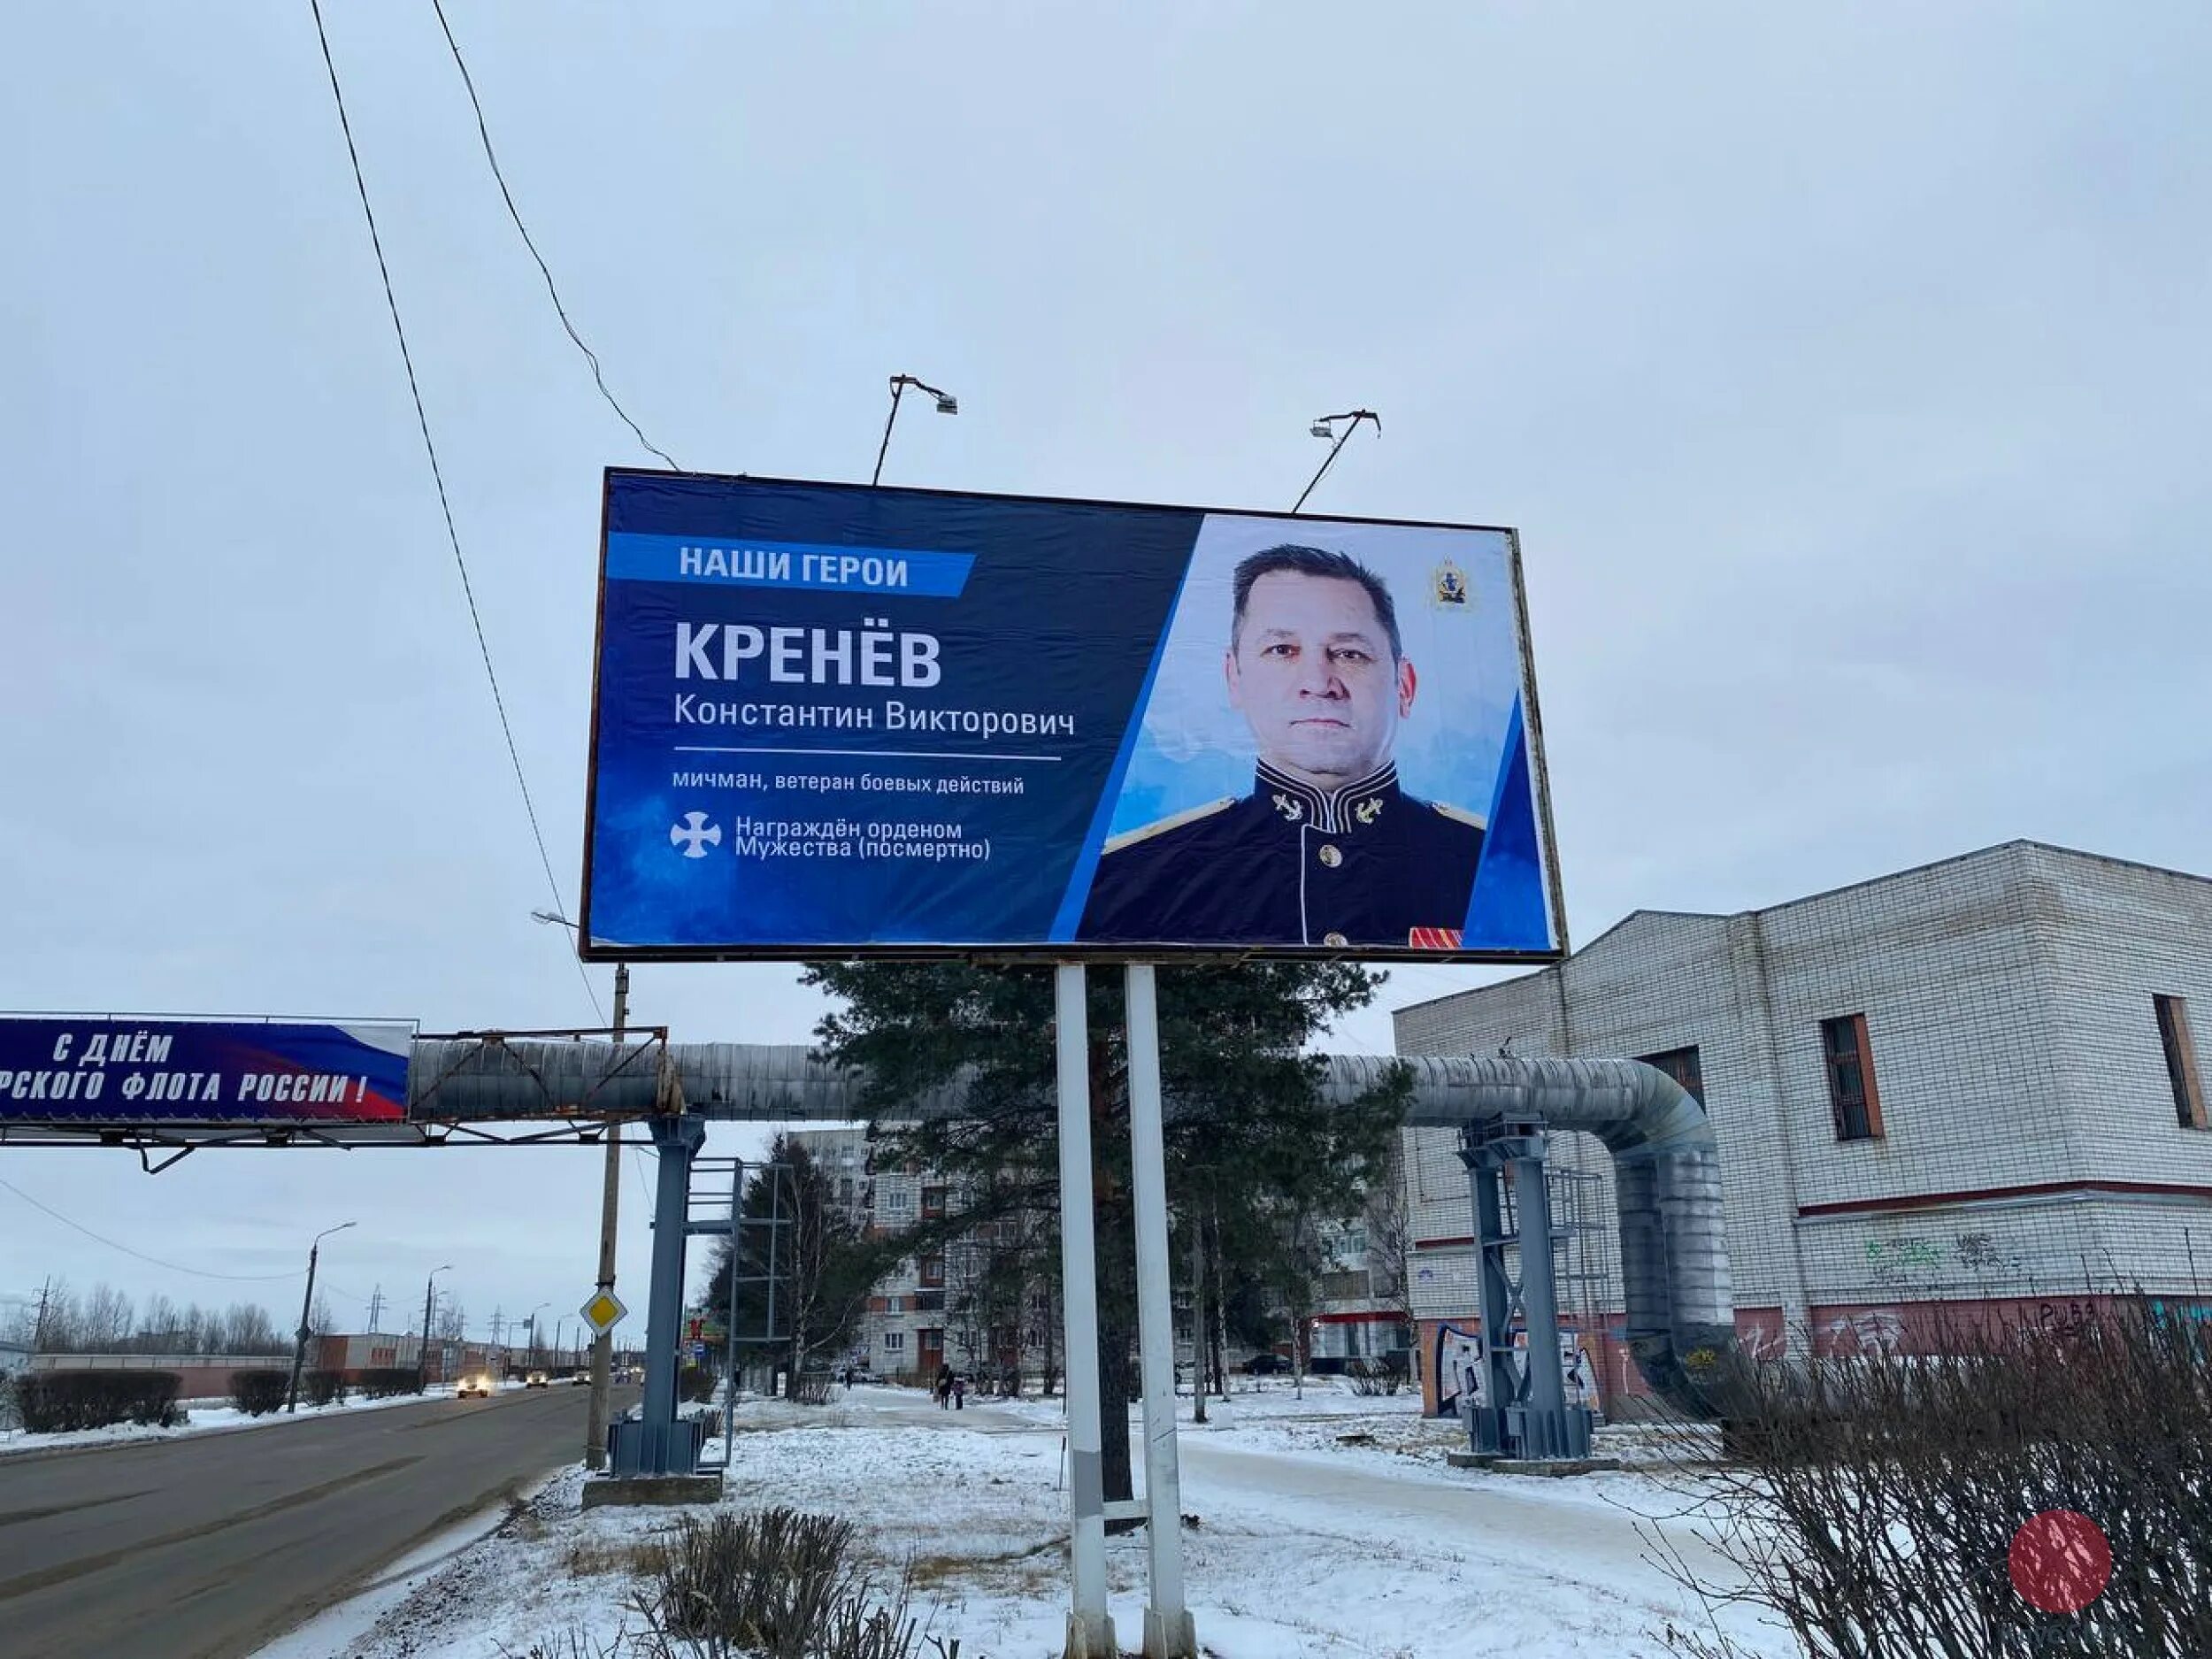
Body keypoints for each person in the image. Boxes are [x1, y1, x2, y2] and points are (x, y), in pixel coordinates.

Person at [1081, 543, 1485, 948]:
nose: (1318, 682)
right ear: (1234, 678)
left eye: (1349, 653)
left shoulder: (1489, 866)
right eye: (1282, 650)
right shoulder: (1126, 880)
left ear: (1404, 685)